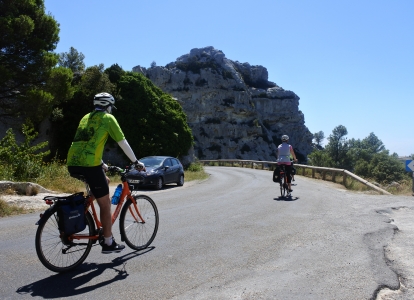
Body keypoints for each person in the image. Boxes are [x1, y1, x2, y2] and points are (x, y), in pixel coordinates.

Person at [67, 92, 145, 254]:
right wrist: (136, 162)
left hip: (73, 163)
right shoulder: (108, 119)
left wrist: (102, 164)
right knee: (105, 203)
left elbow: (85, 142)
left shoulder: (86, 117)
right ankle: (108, 242)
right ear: (108, 106)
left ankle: (84, 207)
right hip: (89, 165)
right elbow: (122, 142)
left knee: (106, 182)